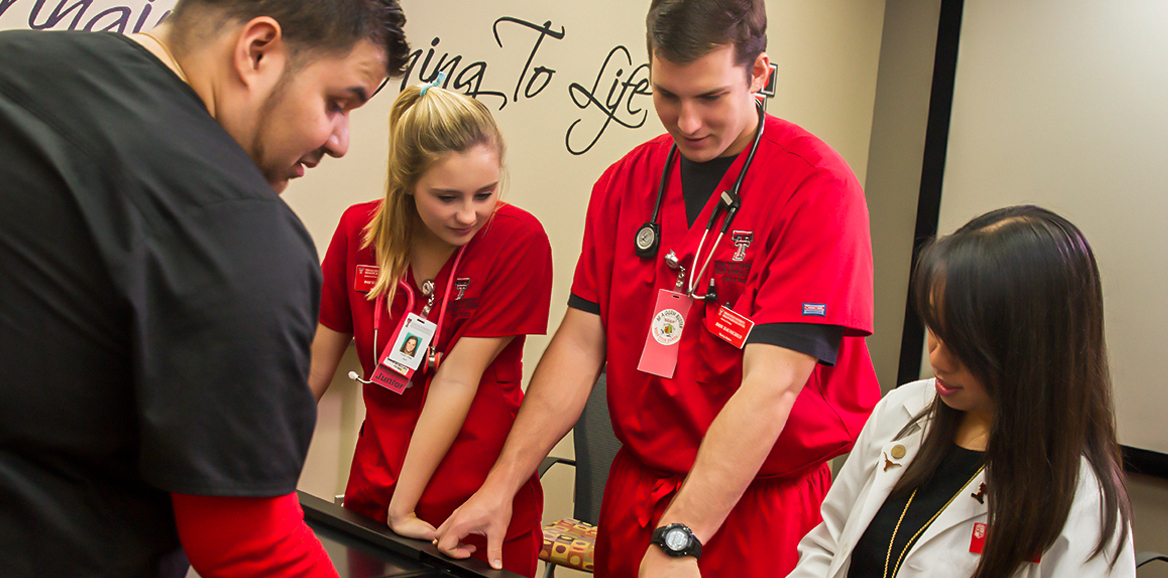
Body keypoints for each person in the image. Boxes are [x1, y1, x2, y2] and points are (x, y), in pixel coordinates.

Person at [434, 1, 880, 576]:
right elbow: (579, 346)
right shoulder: (625, 184)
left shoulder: (816, 189)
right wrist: (501, 486)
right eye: (667, 94)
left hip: (754, 507)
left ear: (760, 75)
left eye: (710, 97)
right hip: (636, 493)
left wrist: (681, 536)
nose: (686, 122)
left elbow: (773, 386)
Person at [0, 0, 410, 576]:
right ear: (257, 51)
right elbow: (251, 548)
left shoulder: (13, 65)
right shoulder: (238, 230)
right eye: (337, 104)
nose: (339, 141)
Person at [788, 205, 1136, 578]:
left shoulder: (1082, 500)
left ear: (1033, 346)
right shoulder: (901, 410)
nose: (937, 357)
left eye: (964, 341)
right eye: (936, 327)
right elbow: (826, 546)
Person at [307, 80, 553, 578]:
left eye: (485, 193)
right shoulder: (359, 234)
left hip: (473, 506)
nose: (469, 214)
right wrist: (257, 468)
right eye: (446, 197)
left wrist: (405, 506)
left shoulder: (517, 241)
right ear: (406, 183)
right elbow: (314, 363)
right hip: (372, 497)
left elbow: (457, 378)